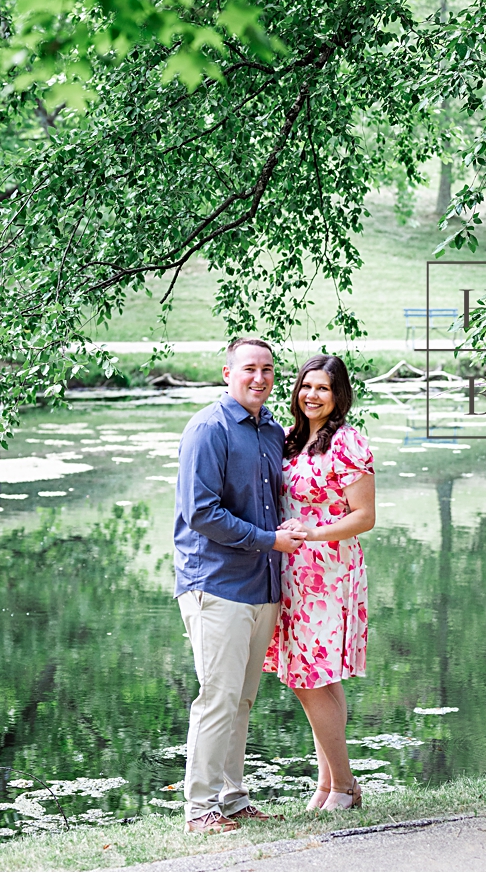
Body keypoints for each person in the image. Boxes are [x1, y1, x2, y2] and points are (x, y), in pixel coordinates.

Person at [173, 337, 308, 834]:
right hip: (216, 584)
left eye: (268, 370)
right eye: (249, 369)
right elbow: (201, 512)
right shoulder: (208, 430)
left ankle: (231, 797)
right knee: (217, 696)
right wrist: (270, 541)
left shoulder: (271, 430)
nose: (260, 378)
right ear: (226, 373)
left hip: (262, 586)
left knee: (243, 698)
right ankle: (199, 808)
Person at [263, 354, 376, 811]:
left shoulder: (348, 443)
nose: (312, 395)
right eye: (306, 386)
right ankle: (327, 786)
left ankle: (345, 786)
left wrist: (312, 533)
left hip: (328, 571)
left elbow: (364, 517)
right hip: (290, 571)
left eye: (323, 388)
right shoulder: (289, 439)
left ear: (339, 395)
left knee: (311, 678)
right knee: (319, 680)